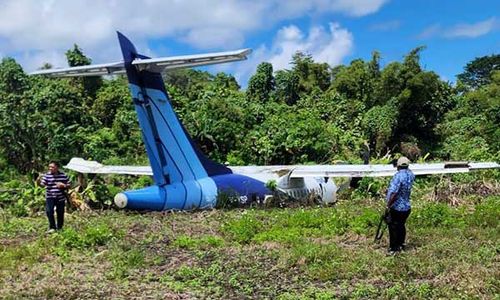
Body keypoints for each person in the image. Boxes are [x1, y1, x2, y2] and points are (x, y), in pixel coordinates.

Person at [385, 156, 415, 255]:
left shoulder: (398, 176)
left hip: (397, 206)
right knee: (401, 225)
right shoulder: (410, 175)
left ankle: (394, 248)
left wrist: (388, 204)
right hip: (406, 206)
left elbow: (394, 192)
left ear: (398, 165)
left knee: (393, 226)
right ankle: (401, 244)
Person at [39, 161, 70, 233]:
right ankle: (52, 227)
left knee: (60, 212)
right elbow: (42, 184)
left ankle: (59, 227)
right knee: (49, 211)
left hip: (60, 197)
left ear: (57, 167)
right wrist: (39, 182)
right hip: (50, 197)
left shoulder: (63, 175)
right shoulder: (47, 175)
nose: (50, 168)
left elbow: (69, 185)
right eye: (49, 167)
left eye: (52, 167)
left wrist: (63, 185)